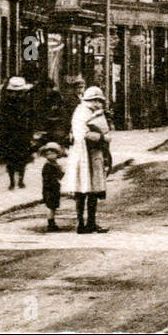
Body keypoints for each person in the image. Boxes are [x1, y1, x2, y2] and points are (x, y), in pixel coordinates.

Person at [65, 86, 110, 234]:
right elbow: (83, 134)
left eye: (100, 101)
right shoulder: (81, 112)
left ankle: (91, 222)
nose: (98, 103)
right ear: (89, 100)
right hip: (83, 154)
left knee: (94, 189)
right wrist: (103, 137)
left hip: (94, 153)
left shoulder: (94, 112)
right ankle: (80, 223)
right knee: (82, 188)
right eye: (96, 100)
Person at [0, 76, 35, 190]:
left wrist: (30, 132)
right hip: (9, 134)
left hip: (22, 133)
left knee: (22, 158)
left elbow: (31, 116)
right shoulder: (6, 102)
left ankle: (21, 180)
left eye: (19, 92)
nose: (16, 94)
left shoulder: (26, 101)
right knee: (10, 159)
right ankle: (12, 181)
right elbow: (2, 117)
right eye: (13, 92)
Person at [39, 141, 64, 232]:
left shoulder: (55, 165)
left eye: (53, 154)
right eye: (48, 154)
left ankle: (52, 222)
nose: (51, 156)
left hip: (54, 188)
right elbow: (48, 178)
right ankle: (50, 223)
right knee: (50, 206)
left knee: (53, 206)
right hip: (49, 188)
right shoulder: (48, 166)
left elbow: (60, 176)